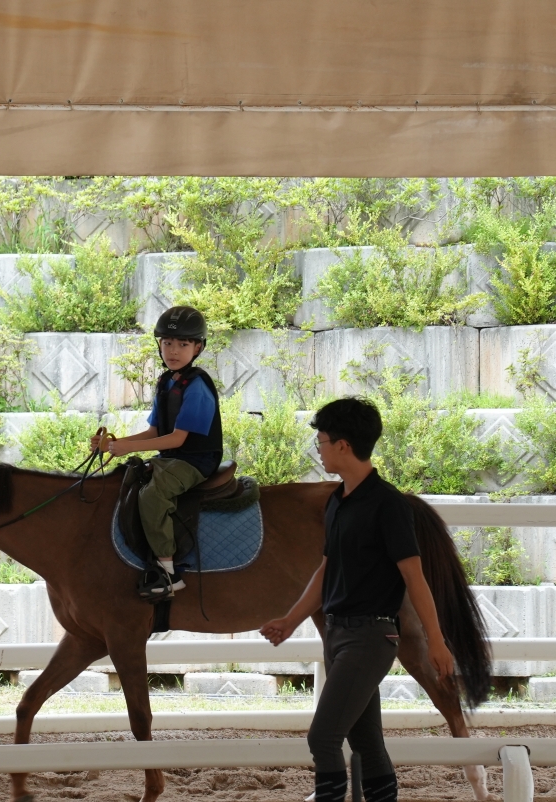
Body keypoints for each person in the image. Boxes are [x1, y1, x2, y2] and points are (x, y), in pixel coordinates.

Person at [259, 397, 454, 802]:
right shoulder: (337, 502)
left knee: (322, 738)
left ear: (343, 445)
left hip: (370, 638)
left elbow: (414, 577)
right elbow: (326, 570)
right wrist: (291, 620)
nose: (319, 447)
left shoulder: (389, 505)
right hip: (339, 637)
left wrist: (436, 640)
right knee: (366, 744)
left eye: (322, 440)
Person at [91, 306, 223, 601]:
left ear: (198, 347)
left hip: (196, 460)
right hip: (173, 457)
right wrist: (113, 444)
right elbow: (154, 433)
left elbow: (176, 439)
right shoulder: (167, 382)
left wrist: (124, 447)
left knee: (152, 495)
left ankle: (168, 572)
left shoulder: (197, 386)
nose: (173, 351)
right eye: (167, 343)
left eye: (183, 344)